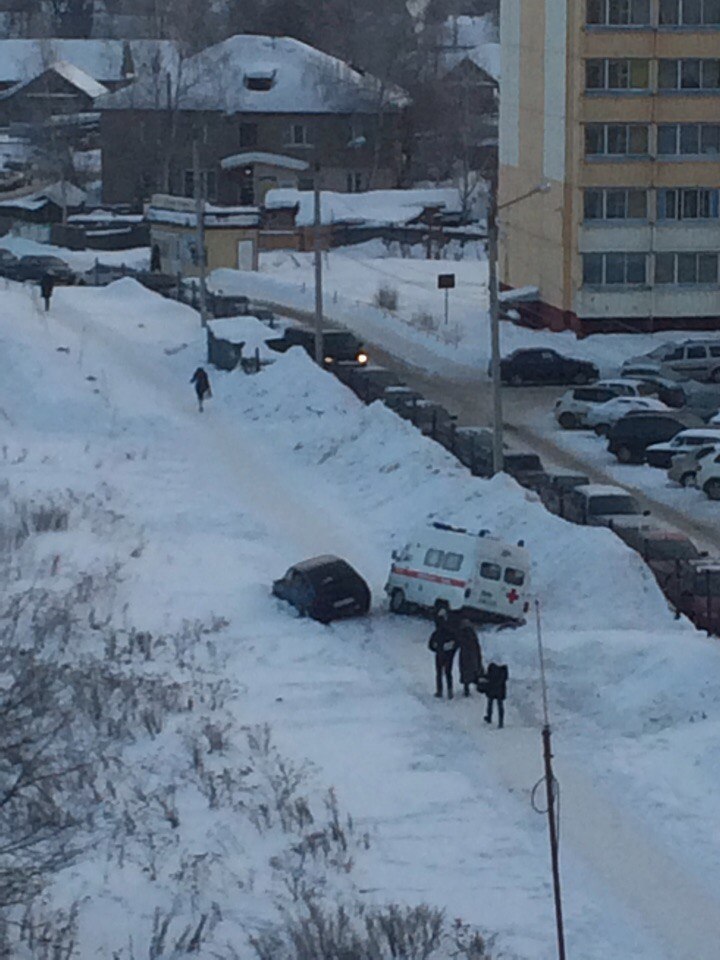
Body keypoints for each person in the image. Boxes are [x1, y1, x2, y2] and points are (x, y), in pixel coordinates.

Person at [428, 610, 458, 700]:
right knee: (447, 673)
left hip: (440, 654)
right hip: (447, 655)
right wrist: (450, 648)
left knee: (439, 673)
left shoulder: (436, 633)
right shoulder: (450, 632)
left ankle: (440, 691)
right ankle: (449, 691)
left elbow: (430, 645)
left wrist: (436, 647)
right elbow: (456, 643)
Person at [457, 617, 484, 697]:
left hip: (465, 656)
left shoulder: (462, 634)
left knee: (465, 673)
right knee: (475, 671)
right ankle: (478, 687)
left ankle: (466, 690)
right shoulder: (473, 636)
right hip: (473, 655)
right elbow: (477, 647)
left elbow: (459, 643)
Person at [484, 662, 509, 728]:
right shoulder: (504, 669)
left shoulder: (492, 666)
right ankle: (501, 722)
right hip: (500, 689)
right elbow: (506, 678)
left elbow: (488, 677)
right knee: (500, 705)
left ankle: (489, 717)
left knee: (490, 703)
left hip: (492, 688)